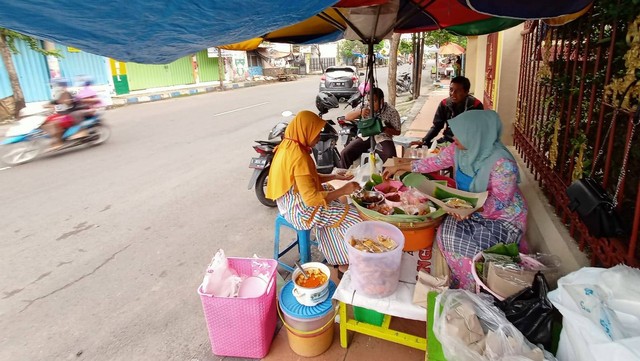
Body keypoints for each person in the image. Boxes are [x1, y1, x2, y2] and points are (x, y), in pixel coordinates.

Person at [384, 110, 527, 291]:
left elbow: (500, 202)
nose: (454, 137)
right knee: (444, 235)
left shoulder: (503, 164)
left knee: (468, 247)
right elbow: (434, 162)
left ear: (474, 134)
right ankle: (464, 278)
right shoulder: (459, 149)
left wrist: (468, 210)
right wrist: (401, 166)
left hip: (501, 219)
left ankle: (472, 288)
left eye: (460, 133)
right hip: (468, 210)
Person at [266, 110, 362, 273]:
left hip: (288, 201)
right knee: (354, 217)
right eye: (316, 133)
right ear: (305, 130)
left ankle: (337, 258)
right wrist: (345, 189)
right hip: (298, 211)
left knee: (333, 197)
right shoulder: (298, 155)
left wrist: (333, 177)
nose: (318, 137)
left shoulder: (289, 145)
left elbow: (307, 178)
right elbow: (311, 199)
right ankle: (347, 261)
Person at [411, 76, 483, 148]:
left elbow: (478, 131)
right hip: (448, 140)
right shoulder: (445, 104)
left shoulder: (475, 106)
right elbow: (437, 126)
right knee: (421, 149)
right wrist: (424, 141)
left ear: (466, 92)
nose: (453, 93)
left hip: (468, 144)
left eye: (457, 91)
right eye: (451, 90)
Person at [339, 87, 401, 169]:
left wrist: (384, 129)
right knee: (345, 153)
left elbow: (398, 131)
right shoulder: (364, 106)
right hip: (366, 135)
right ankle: (345, 176)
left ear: (381, 100)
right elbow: (347, 117)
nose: (370, 104)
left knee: (390, 156)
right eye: (368, 100)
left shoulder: (391, 111)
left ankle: (387, 178)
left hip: (382, 136)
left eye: (374, 101)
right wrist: (360, 112)